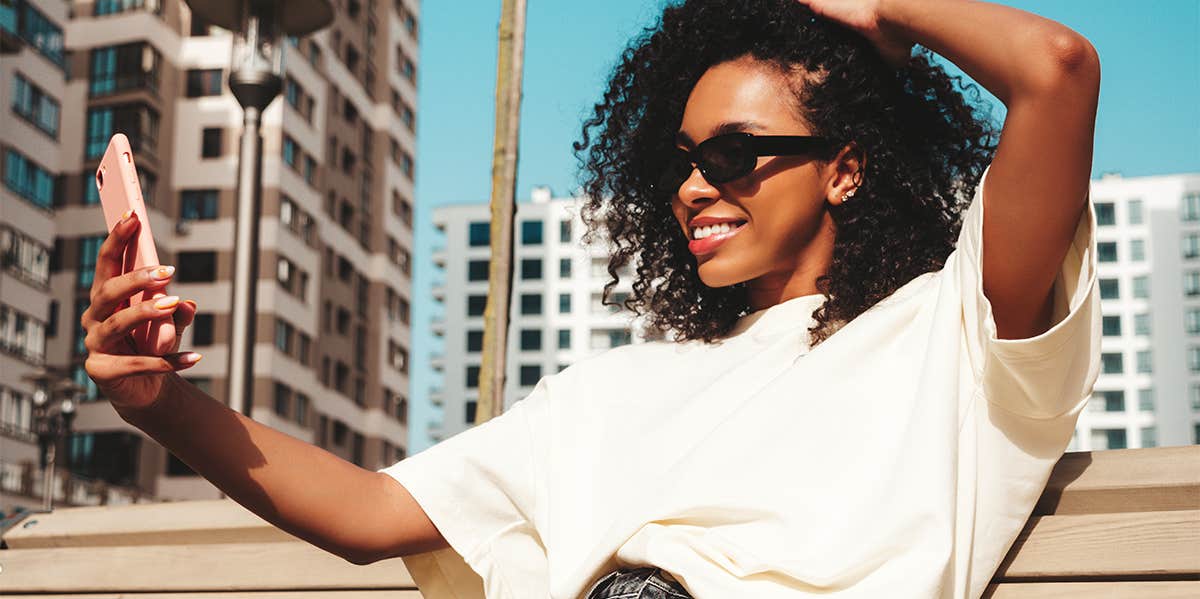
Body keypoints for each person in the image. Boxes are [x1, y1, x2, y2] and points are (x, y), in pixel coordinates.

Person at [81, 0, 1102, 597]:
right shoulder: (615, 388)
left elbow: (1056, 72)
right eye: (687, 157)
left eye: (737, 154)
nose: (697, 186)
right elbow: (372, 510)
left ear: (846, 168)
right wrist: (160, 405)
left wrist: (876, 13)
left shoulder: (955, 333)